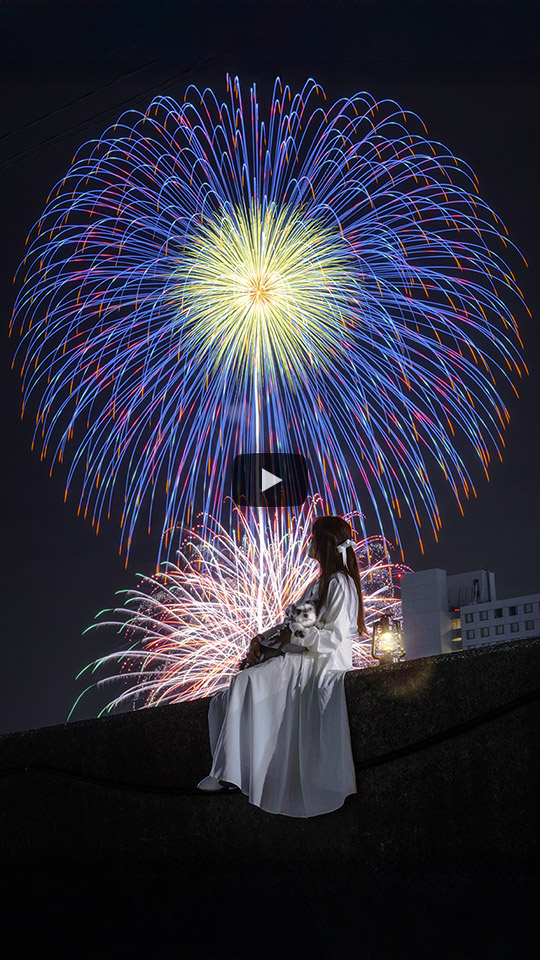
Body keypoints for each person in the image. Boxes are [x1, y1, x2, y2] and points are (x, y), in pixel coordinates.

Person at [196, 515, 368, 818]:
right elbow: (292, 626)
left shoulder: (339, 584)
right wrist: (263, 641)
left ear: (325, 542)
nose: (309, 542)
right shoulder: (318, 585)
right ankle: (236, 769)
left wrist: (294, 636)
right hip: (300, 658)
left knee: (245, 683)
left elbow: (333, 638)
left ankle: (227, 772)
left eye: (313, 537)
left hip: (317, 663)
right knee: (223, 698)